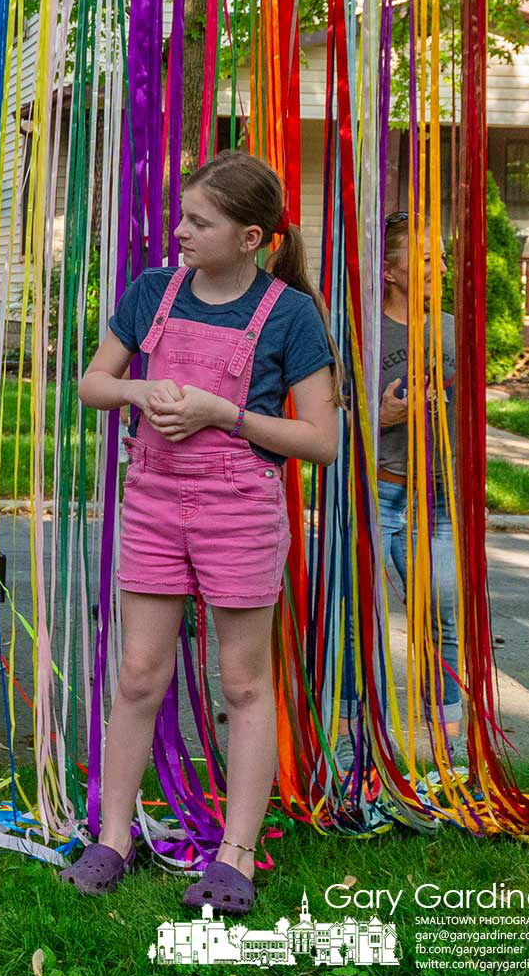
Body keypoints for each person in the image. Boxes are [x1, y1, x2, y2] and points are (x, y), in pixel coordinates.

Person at [60, 151, 339, 914]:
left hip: (240, 510)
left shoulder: (290, 315)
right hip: (152, 500)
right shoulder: (155, 292)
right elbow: (92, 383)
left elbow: (321, 440)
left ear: (251, 237)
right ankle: (111, 837)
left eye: (198, 222)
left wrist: (226, 415)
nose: (179, 231)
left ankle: (235, 859)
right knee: (138, 675)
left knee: (245, 684)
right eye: (182, 216)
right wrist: (138, 388)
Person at [375, 210, 463, 741]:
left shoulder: (452, 328)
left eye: (443, 258)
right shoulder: (363, 327)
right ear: (390, 270)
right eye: (428, 258)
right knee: (359, 624)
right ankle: (358, 745)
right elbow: (326, 408)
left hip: (437, 500)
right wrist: (378, 416)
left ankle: (444, 748)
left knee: (443, 622)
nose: (441, 266)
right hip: (378, 489)